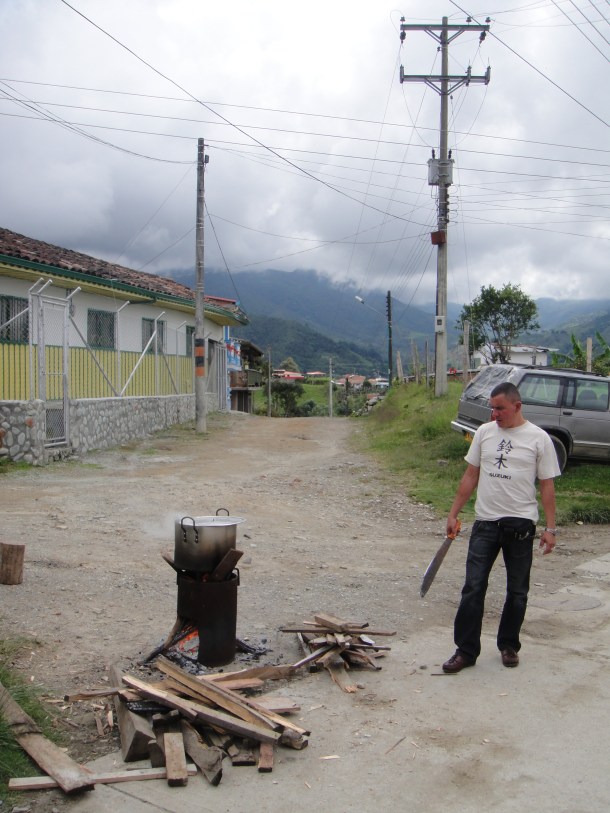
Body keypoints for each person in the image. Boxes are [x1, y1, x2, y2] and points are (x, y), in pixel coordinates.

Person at [442, 381, 561, 673]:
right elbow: (471, 475)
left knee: (517, 591)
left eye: (500, 408)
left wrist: (550, 528)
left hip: (520, 525)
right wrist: (454, 513)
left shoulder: (538, 438)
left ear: (517, 406)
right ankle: (466, 651)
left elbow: (547, 486)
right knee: (473, 587)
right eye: (492, 408)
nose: (494, 414)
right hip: (485, 523)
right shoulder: (484, 433)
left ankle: (509, 645)